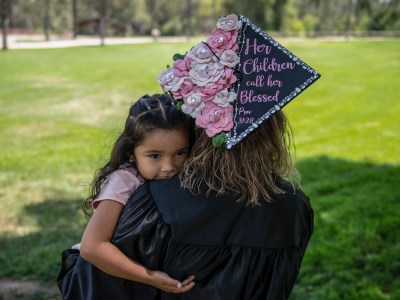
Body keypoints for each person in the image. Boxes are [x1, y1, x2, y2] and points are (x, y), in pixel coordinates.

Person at [58, 94, 195, 299]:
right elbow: (92, 247)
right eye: (155, 156)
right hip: (105, 281)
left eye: (180, 153)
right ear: (131, 153)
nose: (169, 167)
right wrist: (150, 277)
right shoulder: (124, 181)